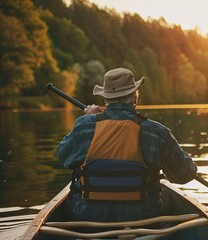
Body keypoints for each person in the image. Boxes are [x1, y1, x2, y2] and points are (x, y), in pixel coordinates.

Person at [56, 68, 197, 222]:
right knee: (170, 194)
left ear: (105, 99)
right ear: (134, 99)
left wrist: (91, 119)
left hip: (89, 214)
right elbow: (184, 174)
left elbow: (64, 156)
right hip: (144, 215)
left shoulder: (84, 125)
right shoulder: (156, 131)